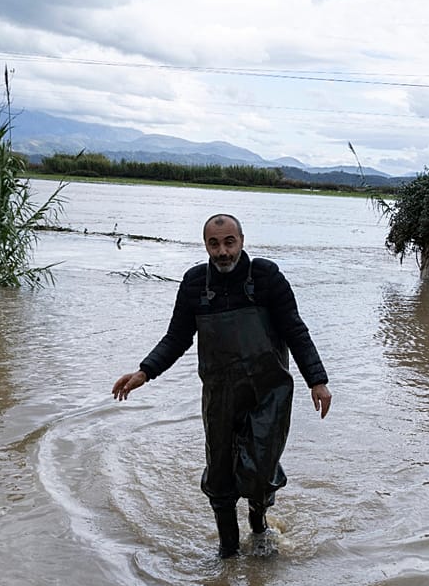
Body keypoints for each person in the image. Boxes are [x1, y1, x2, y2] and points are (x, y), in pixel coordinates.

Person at [112, 213, 332, 558]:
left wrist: (317, 380)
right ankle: (227, 552)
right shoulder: (195, 284)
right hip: (220, 394)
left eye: (229, 242)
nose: (223, 251)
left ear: (242, 241)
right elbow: (177, 337)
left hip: (269, 393)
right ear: (206, 246)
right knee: (220, 476)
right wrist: (144, 372)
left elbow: (294, 329)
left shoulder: (266, 277)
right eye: (214, 244)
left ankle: (259, 527)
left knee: (260, 471)